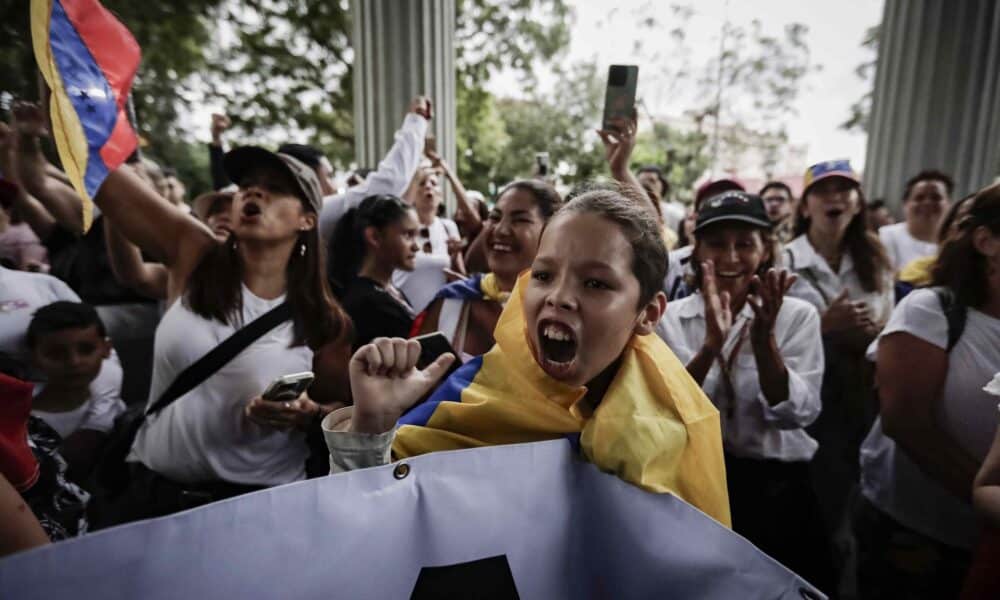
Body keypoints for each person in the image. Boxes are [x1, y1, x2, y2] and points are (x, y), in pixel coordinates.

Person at [323, 189, 732, 528]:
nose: (558, 297)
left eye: (595, 283)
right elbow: (361, 531)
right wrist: (370, 428)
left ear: (649, 313)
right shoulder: (474, 396)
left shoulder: (674, 429)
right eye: (543, 275)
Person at [92, 142, 353, 521]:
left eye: (276, 188)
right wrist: (71, 99)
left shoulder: (324, 320)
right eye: (246, 184)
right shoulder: (194, 254)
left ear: (307, 220)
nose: (253, 191)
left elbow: (344, 412)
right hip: (155, 501)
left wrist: (308, 412)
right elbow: (100, 170)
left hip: (259, 510)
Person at [657, 190, 834, 591]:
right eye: (717, 244)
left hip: (778, 493)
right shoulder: (670, 317)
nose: (731, 258)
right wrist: (711, 347)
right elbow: (667, 410)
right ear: (695, 249)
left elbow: (798, 414)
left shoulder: (796, 316)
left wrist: (763, 341)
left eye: (745, 244)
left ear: (766, 250)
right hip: (698, 489)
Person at [854, 185, 1000, 599]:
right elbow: (906, 423)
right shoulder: (931, 310)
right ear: (987, 242)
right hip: (916, 538)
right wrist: (988, 505)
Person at [783, 159, 893, 552]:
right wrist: (823, 328)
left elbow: (890, 322)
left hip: (860, 396)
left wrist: (872, 334)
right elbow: (772, 338)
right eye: (822, 190)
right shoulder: (785, 260)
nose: (834, 198)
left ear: (857, 203)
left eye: (843, 190)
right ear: (805, 206)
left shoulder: (876, 261)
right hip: (809, 400)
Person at [412, 180, 561, 360]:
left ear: (552, 231)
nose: (500, 230)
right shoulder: (452, 301)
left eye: (520, 220)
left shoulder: (559, 309)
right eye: (495, 218)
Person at [26, 302, 124, 483]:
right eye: (56, 354)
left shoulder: (115, 408)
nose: (74, 361)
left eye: (86, 350)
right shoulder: (23, 425)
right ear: (34, 358)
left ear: (106, 349)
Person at [329, 195, 420, 349]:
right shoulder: (364, 303)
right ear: (374, 237)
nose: (416, 246)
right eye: (407, 235)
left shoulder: (390, 291)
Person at [392, 165, 464, 312]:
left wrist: (455, 256)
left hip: (436, 318)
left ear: (441, 196)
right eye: (422, 183)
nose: (428, 187)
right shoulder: (401, 228)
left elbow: (460, 277)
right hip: (403, 313)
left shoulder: (448, 227)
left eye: (434, 183)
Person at [879, 169, 954, 271]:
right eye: (919, 198)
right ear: (905, 204)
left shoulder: (955, 243)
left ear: (949, 205)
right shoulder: (886, 236)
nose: (927, 203)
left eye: (936, 197)